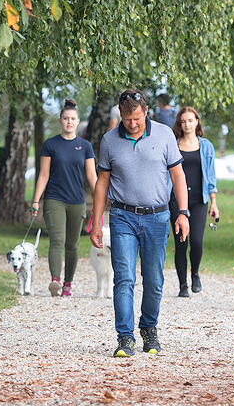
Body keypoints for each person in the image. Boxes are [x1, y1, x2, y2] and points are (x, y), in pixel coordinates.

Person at [90, 89, 190, 357]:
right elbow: (102, 183)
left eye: (136, 118)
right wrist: (96, 222)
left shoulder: (165, 134)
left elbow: (178, 176)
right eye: (126, 118)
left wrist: (183, 212)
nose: (132, 124)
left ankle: (149, 329)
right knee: (124, 279)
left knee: (154, 279)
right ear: (120, 115)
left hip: (157, 217)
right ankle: (125, 337)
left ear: (146, 112)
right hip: (122, 217)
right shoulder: (110, 140)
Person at [30, 99, 98, 297]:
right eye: (66, 118)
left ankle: (68, 284)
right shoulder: (50, 144)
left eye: (73, 119)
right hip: (54, 199)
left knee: (72, 244)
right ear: (60, 121)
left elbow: (92, 176)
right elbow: (43, 175)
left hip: (77, 201)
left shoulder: (85, 146)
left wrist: (101, 199)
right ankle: (55, 281)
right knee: (57, 240)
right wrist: (36, 200)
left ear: (78, 122)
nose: (69, 122)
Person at [169, 107, 219, 297]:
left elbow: (211, 176)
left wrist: (214, 203)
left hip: (199, 200)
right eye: (183, 121)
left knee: (196, 241)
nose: (187, 124)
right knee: (181, 242)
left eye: (190, 120)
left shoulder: (206, 146)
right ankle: (183, 285)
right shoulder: (172, 145)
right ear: (179, 124)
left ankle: (195, 274)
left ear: (197, 121)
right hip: (176, 200)